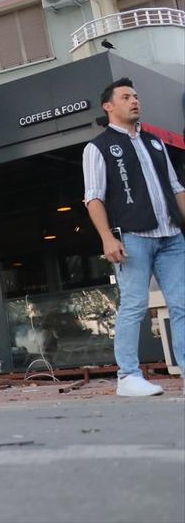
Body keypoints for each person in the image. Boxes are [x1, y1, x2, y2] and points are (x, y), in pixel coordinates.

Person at [82, 77, 185, 397]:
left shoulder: (155, 143)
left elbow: (176, 188)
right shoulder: (97, 147)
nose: (134, 100)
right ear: (109, 106)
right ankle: (127, 376)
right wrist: (107, 238)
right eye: (126, 96)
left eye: (136, 96)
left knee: (183, 304)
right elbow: (93, 197)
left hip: (172, 236)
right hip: (133, 238)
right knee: (134, 305)